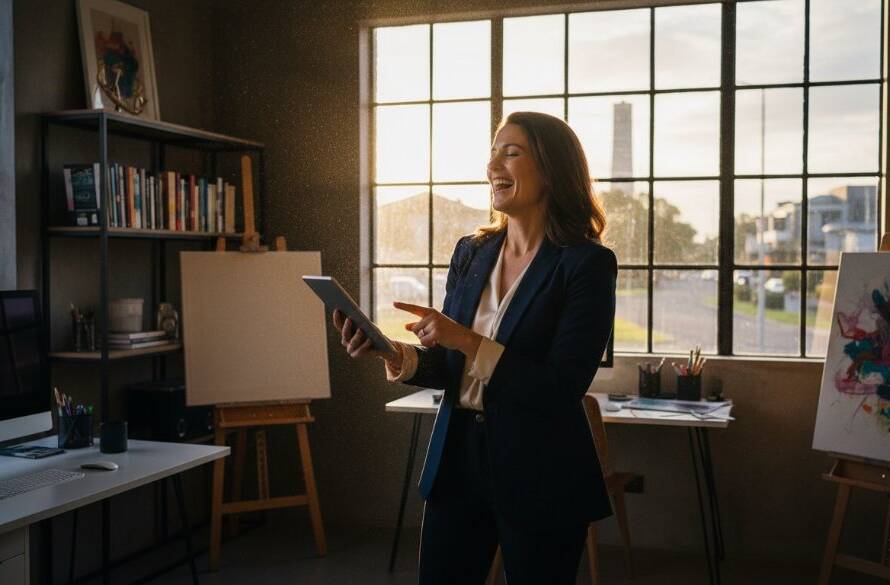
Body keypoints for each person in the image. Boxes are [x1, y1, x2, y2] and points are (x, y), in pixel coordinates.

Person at [333, 111, 616, 584]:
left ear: (551, 168)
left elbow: (560, 387)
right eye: (492, 152)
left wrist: (464, 338)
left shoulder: (587, 264)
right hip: (458, 461)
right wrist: (392, 354)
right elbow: (450, 367)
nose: (493, 166)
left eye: (511, 152)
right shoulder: (472, 252)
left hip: (542, 473)